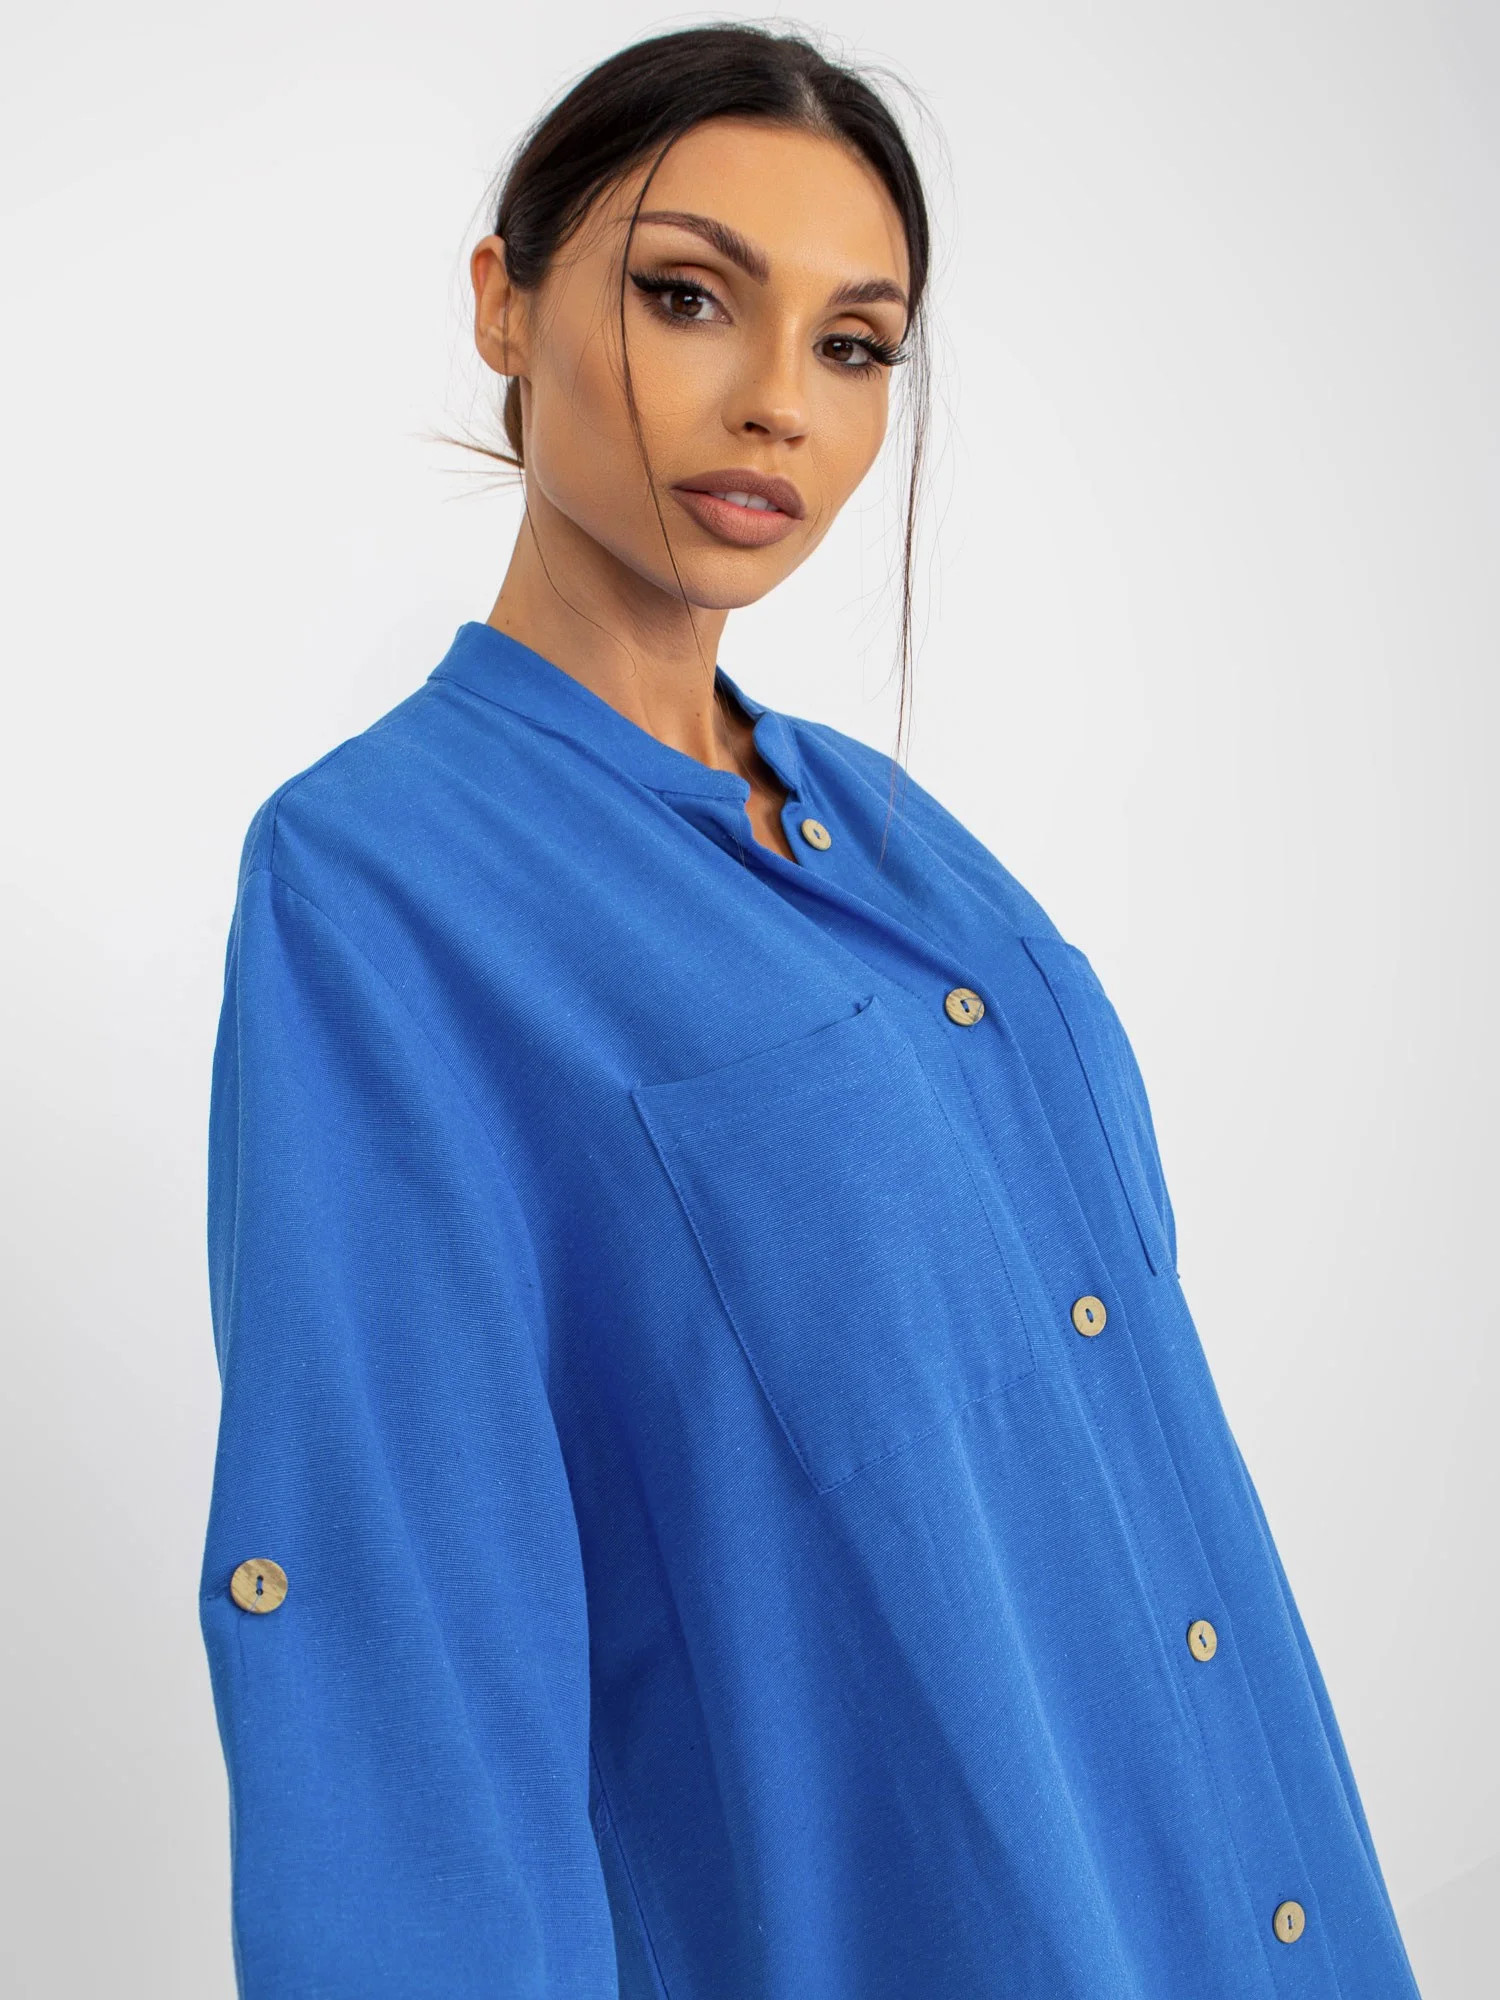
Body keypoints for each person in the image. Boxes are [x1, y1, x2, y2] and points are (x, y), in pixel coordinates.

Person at [197, 23, 1421, 1998]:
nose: (777, 401)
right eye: (689, 297)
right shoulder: (383, 884)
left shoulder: (918, 855)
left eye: (855, 346)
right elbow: (393, 1627)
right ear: (505, 303)